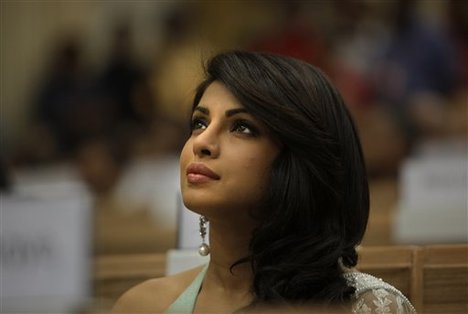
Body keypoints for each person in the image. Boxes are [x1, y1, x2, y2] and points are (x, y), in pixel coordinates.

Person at [112, 51, 416, 313]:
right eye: (199, 122)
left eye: (241, 127)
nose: (202, 142)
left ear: (298, 160)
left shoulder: (368, 306)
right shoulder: (142, 306)